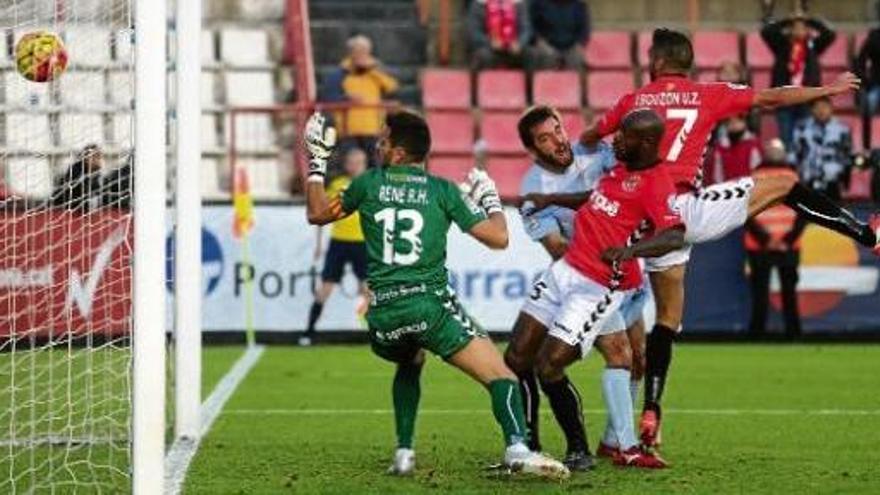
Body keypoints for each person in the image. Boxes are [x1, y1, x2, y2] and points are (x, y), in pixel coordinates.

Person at [577, 27, 878, 453]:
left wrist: (584, 151)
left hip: (645, 219)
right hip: (685, 210)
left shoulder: (634, 100)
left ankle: (652, 413)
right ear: (687, 62)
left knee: (666, 316)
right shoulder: (707, 93)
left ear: (658, 61)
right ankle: (867, 233)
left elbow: (593, 135)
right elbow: (772, 98)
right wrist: (827, 88)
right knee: (784, 184)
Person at [303, 110, 568, 478]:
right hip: (429, 309)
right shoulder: (441, 191)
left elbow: (317, 213)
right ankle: (517, 449)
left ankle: (404, 452)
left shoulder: (368, 184)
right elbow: (498, 238)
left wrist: (317, 162)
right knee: (502, 377)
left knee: (410, 360)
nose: (378, 147)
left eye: (383, 141)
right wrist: (489, 198)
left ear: (397, 153)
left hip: (381, 318)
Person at [529, 108, 686, 467]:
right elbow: (595, 197)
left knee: (632, 359)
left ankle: (619, 444)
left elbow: (674, 234)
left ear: (644, 142)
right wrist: (551, 200)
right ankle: (622, 446)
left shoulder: (656, 181)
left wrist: (629, 250)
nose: (615, 138)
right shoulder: (623, 167)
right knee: (623, 357)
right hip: (594, 277)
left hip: (616, 282)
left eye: (624, 134)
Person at [505, 105, 655, 470]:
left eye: (557, 129)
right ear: (533, 149)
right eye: (545, 138)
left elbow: (631, 183)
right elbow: (556, 246)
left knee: (635, 358)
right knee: (528, 359)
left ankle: (611, 442)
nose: (558, 140)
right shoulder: (532, 188)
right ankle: (543, 442)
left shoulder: (597, 152)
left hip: (626, 270)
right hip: (587, 276)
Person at [301, 147, 370, 347]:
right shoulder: (338, 185)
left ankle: (375, 334)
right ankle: (308, 332)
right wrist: (318, 244)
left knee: (368, 290)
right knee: (325, 288)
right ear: (347, 164)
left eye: (360, 162)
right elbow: (321, 213)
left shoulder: (370, 185)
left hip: (362, 242)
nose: (356, 166)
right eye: (353, 162)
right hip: (339, 242)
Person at [746, 139, 805, 339]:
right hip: (774, 245)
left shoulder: (755, 177)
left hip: (764, 244)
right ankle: (793, 335)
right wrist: (783, 240)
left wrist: (770, 240)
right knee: (779, 293)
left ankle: (757, 335)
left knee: (765, 293)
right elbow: (805, 213)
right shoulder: (793, 177)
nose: (774, 153)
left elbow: (744, 212)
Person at [760, 3, 837, 148]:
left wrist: (808, 20)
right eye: (795, 27)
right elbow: (766, 31)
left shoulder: (813, 46)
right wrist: (788, 20)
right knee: (786, 140)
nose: (799, 30)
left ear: (807, 30)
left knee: (805, 139)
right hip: (784, 99)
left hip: (807, 100)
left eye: (802, 27)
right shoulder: (781, 45)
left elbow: (830, 34)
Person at [333, 35, 398, 167]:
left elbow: (392, 87)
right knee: (352, 164)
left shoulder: (377, 70)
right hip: (348, 130)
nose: (361, 54)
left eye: (364, 51)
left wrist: (372, 70)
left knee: (375, 164)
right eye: (357, 51)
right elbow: (329, 95)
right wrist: (346, 98)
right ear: (351, 52)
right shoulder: (341, 72)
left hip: (373, 128)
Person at [792, 97, 853, 200]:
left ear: (831, 109)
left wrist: (845, 183)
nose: (821, 110)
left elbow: (847, 157)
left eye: (824, 107)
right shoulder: (801, 128)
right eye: (817, 107)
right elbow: (796, 154)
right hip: (808, 181)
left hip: (833, 182)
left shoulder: (842, 130)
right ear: (811, 110)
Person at [467, 0, 532, 70]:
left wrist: (519, 43)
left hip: (514, 50)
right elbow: (474, 33)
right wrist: (490, 42)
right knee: (482, 56)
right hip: (489, 50)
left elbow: (526, 29)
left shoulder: (519, 4)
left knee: (531, 54)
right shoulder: (478, 4)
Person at [529, 0, 589, 70]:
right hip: (546, 47)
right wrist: (540, 43)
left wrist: (579, 45)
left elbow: (584, 31)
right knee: (545, 55)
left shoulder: (580, 6)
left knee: (577, 56)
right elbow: (532, 28)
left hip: (572, 48)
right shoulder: (538, 4)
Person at [708, 113, 762, 185]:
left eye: (737, 121)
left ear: (744, 122)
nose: (734, 125)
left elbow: (757, 172)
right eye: (730, 122)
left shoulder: (753, 145)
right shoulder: (720, 148)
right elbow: (717, 176)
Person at [856, 3, 880, 148]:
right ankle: (867, 147)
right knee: (868, 105)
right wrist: (865, 80)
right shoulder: (875, 35)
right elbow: (860, 60)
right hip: (877, 83)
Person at [51, 144, 104, 212]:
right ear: (86, 158)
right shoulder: (76, 172)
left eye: (100, 157)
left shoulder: (95, 175)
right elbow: (79, 197)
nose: (99, 160)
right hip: (61, 211)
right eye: (96, 157)